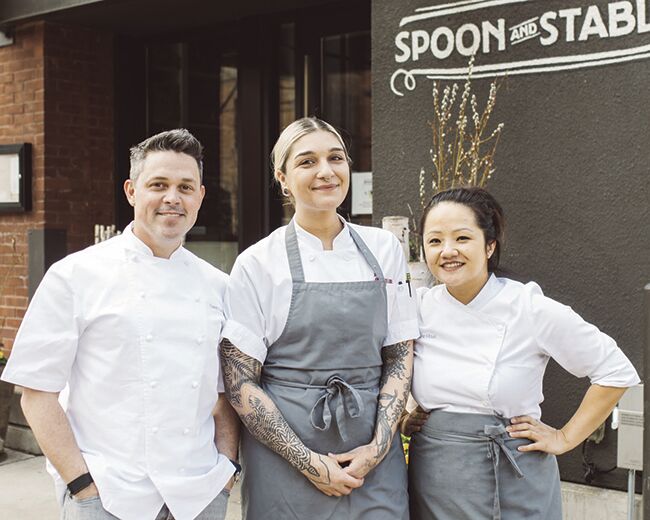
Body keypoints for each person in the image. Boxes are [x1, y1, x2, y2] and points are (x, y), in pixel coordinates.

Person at [1, 129, 240, 520]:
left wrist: (227, 468)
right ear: (131, 191)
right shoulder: (75, 275)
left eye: (185, 186)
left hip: (198, 495)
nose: (172, 198)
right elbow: (36, 391)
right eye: (158, 185)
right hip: (109, 495)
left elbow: (225, 393)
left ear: (200, 196)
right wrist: (81, 486)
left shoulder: (220, 285)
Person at [220, 117, 418, 519]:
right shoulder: (258, 262)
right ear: (283, 178)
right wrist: (309, 463)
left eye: (336, 158)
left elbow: (399, 353)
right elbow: (239, 379)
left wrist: (377, 448)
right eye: (307, 161)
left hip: (372, 459)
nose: (326, 171)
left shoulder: (384, 249)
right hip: (284, 460)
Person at [403, 186, 640, 520]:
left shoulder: (527, 307)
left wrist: (564, 438)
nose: (447, 251)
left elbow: (615, 371)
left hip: (512, 476)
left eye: (462, 238)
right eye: (435, 240)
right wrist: (405, 415)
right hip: (436, 477)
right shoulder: (419, 307)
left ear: (489, 245)